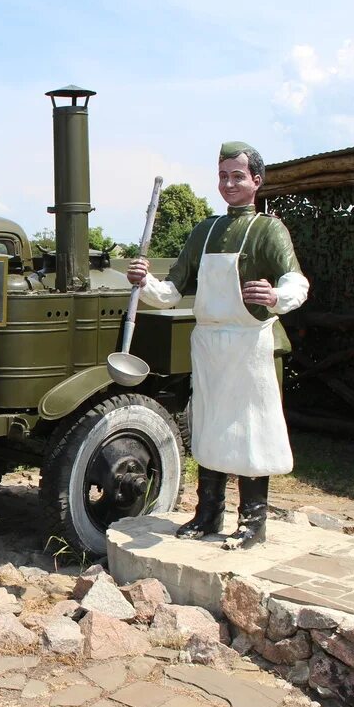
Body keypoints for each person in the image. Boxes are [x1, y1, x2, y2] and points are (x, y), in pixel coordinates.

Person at [127, 142, 309, 548]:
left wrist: (276, 297)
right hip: (208, 345)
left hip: (249, 345)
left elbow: (296, 281)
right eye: (223, 175)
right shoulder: (204, 231)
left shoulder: (268, 230)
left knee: (250, 431)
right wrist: (146, 282)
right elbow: (173, 290)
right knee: (208, 427)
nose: (229, 183)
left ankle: (253, 521)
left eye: (237, 176)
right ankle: (208, 512)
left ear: (256, 181)